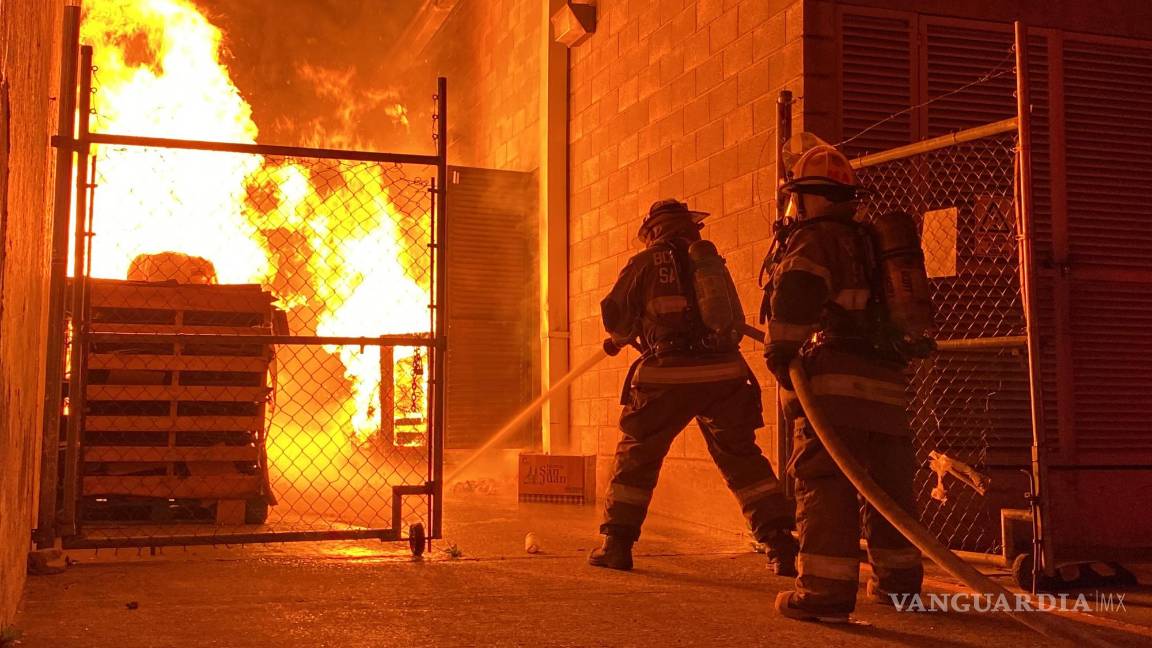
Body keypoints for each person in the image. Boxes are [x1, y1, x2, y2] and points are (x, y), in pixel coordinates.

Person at [589, 198, 797, 575]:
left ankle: (616, 545)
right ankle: (780, 545)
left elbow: (615, 315)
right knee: (742, 459)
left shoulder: (644, 263)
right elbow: (730, 319)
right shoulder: (711, 263)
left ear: (652, 231)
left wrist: (623, 337)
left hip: (667, 377)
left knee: (638, 458)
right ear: (689, 228)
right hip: (724, 375)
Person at [761, 139, 923, 622]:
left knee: (825, 481)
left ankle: (825, 594)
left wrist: (780, 349)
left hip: (836, 383)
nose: (796, 208)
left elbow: (796, 293)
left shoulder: (817, 238)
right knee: (889, 486)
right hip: (888, 383)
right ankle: (899, 585)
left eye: (798, 197)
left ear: (815, 196)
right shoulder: (872, 242)